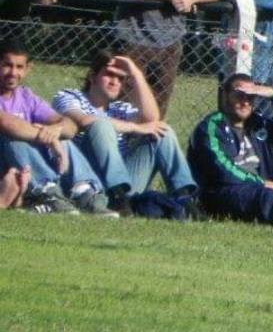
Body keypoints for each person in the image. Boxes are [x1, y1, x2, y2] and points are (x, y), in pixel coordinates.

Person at [52, 51, 201, 218]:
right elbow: (83, 120)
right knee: (101, 125)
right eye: (109, 75)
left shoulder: (120, 109)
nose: (115, 82)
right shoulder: (70, 96)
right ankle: (116, 196)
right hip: (87, 183)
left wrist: (136, 73)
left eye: (121, 78)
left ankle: (184, 199)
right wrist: (135, 127)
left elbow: (152, 119)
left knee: (162, 132)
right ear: (92, 76)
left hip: (126, 188)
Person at [187, 73, 273, 226]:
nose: (245, 102)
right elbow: (222, 170)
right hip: (223, 193)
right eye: (239, 95)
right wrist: (261, 182)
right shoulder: (211, 127)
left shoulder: (258, 126)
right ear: (225, 96)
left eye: (250, 97)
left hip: (262, 194)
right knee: (266, 198)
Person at [0, 38, 116, 215]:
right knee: (13, 137)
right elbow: (8, 124)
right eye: (7, 65)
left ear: (27, 69)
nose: (13, 72)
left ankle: (85, 194)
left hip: (24, 170)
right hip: (6, 167)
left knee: (64, 139)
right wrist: (49, 138)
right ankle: (48, 193)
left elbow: (69, 125)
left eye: (19, 67)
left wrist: (56, 132)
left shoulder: (26, 97)